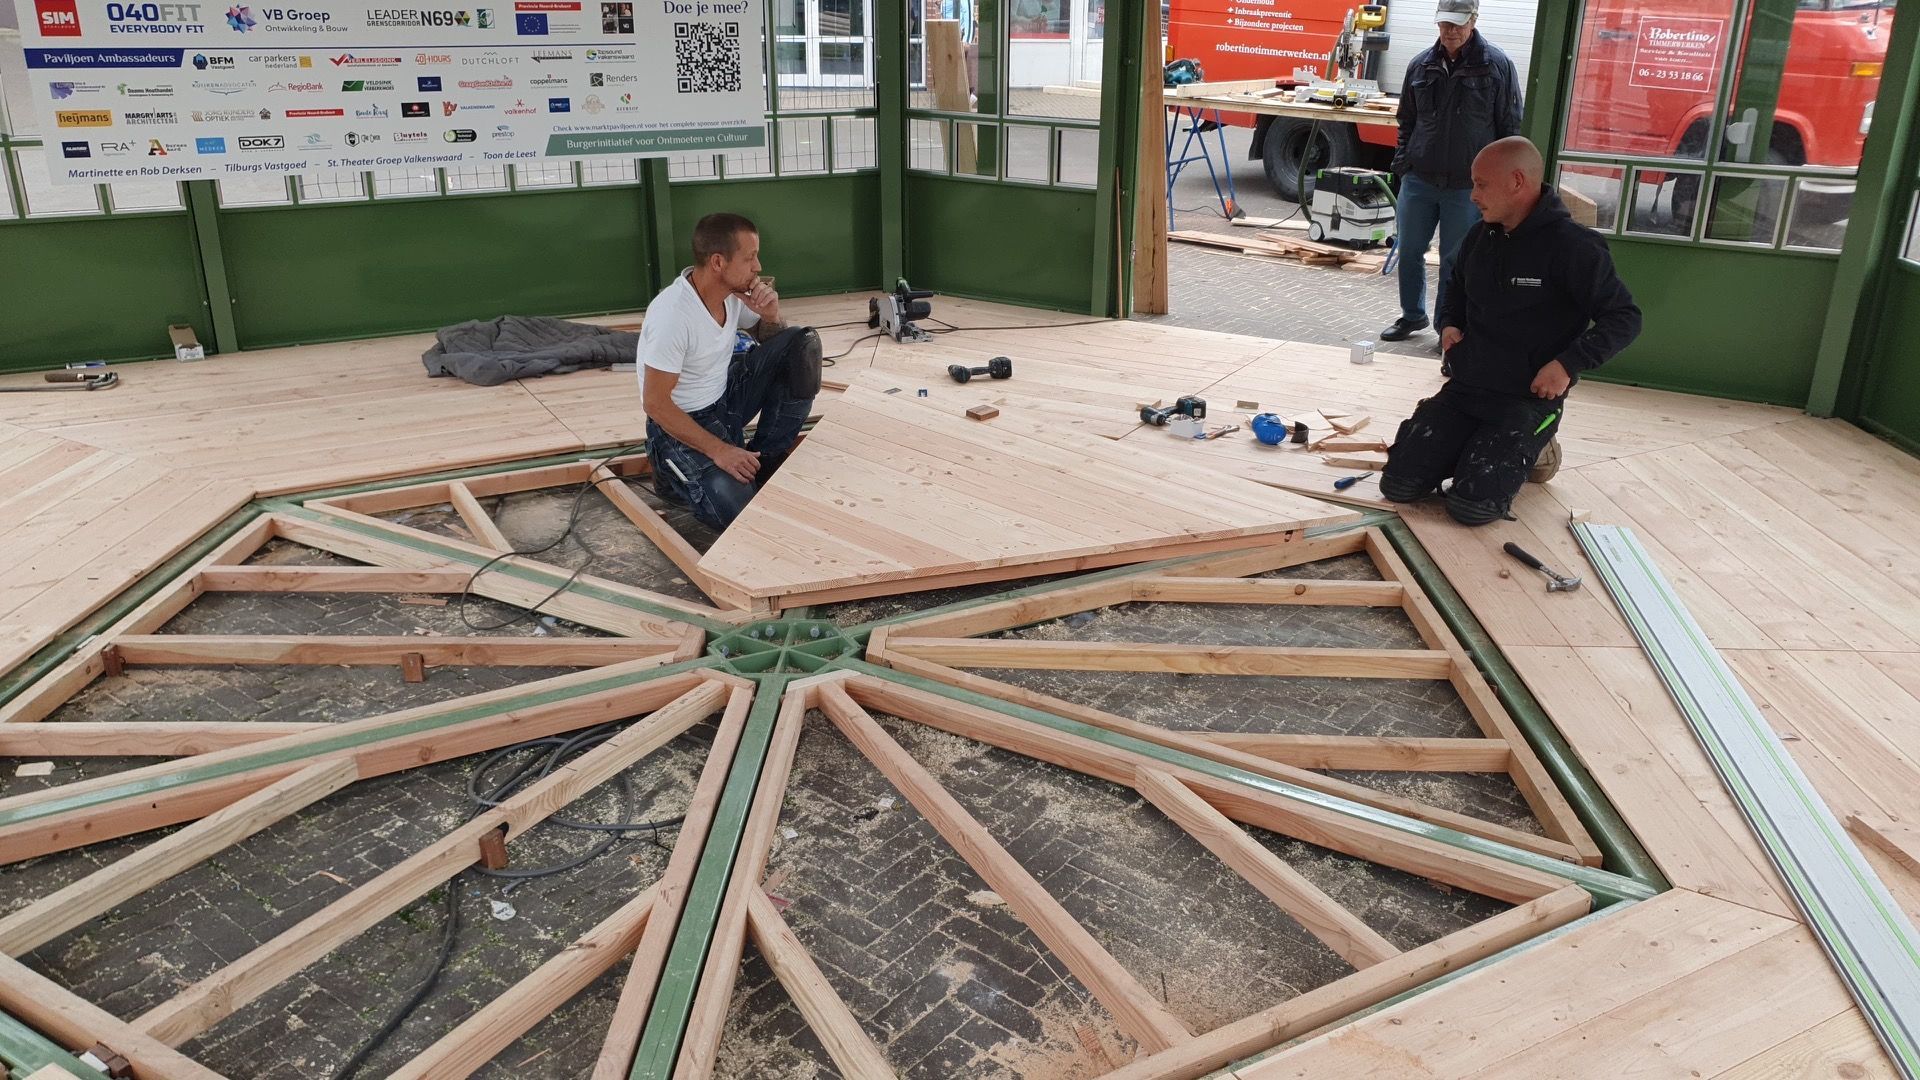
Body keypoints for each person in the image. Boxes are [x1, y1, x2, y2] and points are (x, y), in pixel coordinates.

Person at [1380, 136, 1642, 526]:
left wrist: (1568, 365)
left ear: (1517, 182)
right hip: (1469, 387)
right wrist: (1449, 323)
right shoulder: (1480, 237)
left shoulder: (1573, 247)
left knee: (1472, 508)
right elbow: (1455, 285)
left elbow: (1624, 317)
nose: (1472, 196)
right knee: (1397, 486)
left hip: (1526, 396)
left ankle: (1538, 447)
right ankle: (1473, 446)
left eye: (1481, 184)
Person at [639, 212, 822, 531]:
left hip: (725, 399)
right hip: (679, 421)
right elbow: (655, 403)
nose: (758, 267)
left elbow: (773, 343)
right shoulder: (673, 315)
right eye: (750, 258)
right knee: (739, 515)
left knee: (802, 345)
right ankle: (670, 473)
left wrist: (771, 315)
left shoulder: (732, 295)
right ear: (718, 262)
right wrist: (719, 450)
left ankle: (765, 459)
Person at [1380, 0, 1523, 348]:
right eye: (1445, 23)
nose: (1450, 31)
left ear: (1474, 20)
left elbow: (1509, 127)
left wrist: (1496, 184)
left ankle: (1449, 327)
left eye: (1458, 24)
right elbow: (1407, 121)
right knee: (1410, 249)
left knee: (1454, 260)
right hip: (1420, 180)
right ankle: (1412, 315)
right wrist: (1404, 164)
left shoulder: (1497, 66)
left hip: (1467, 187)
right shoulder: (1421, 65)